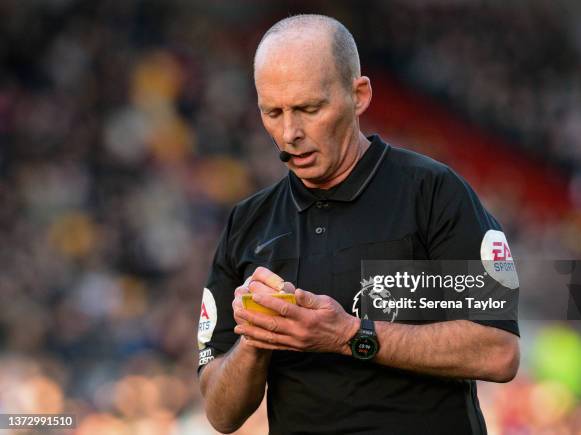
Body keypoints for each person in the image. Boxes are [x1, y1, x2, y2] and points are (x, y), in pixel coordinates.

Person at [197, 14, 520, 435]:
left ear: (359, 95)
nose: (290, 132)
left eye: (309, 108)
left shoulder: (434, 192)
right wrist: (257, 338)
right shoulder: (248, 223)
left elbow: (499, 353)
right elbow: (221, 415)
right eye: (272, 112)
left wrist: (349, 335)